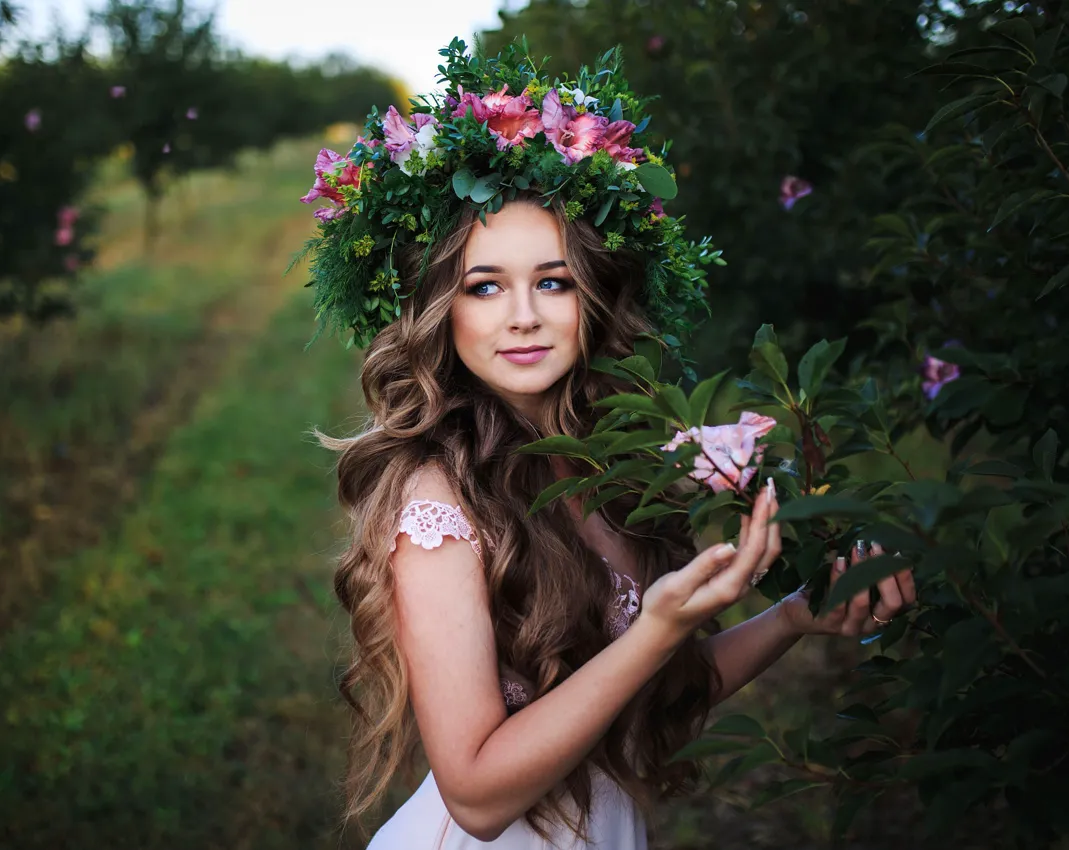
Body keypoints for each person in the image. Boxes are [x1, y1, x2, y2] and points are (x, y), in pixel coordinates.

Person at [298, 40, 917, 850]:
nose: (523, 315)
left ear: (594, 297)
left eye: (552, 281)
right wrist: (659, 629)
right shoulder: (440, 503)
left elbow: (642, 703)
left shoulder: (608, 461)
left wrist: (794, 617)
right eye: (485, 287)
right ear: (441, 311)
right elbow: (479, 799)